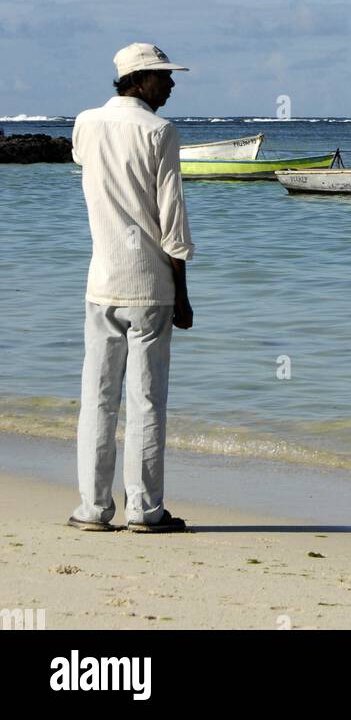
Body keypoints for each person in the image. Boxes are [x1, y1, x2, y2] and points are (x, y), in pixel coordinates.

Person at [67, 43, 194, 532]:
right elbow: (172, 222)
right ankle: (144, 510)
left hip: (101, 283)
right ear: (140, 79)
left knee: (96, 399)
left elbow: (86, 162)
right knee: (145, 401)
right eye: (164, 76)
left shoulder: (85, 122)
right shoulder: (160, 132)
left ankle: (92, 509)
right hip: (150, 286)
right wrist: (182, 294)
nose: (172, 84)